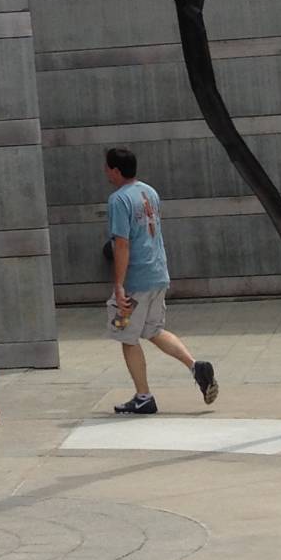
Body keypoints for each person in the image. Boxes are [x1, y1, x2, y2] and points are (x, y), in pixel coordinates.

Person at [105, 145, 219, 415]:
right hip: (158, 273)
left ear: (116, 170)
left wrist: (119, 285)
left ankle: (143, 396)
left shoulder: (118, 200)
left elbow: (122, 244)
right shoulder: (150, 192)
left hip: (137, 279)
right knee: (153, 330)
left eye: (107, 168)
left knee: (127, 337)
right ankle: (195, 366)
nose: (106, 172)